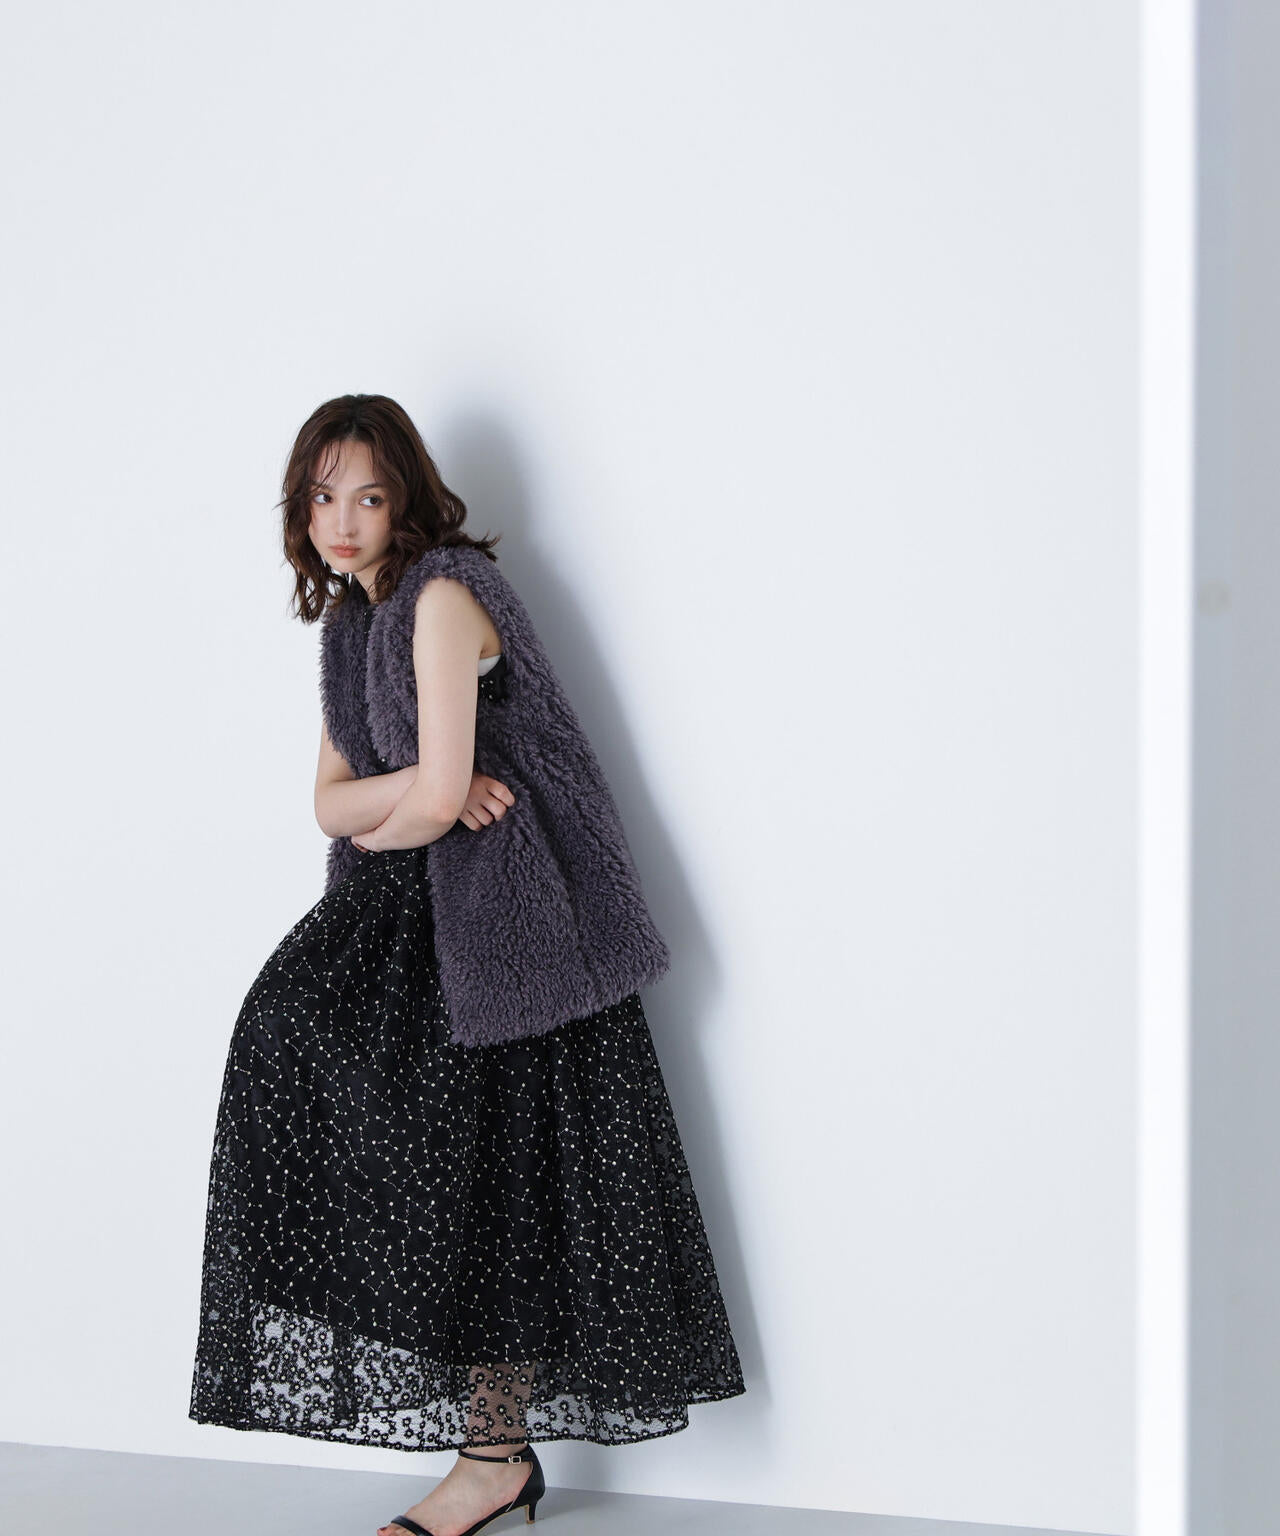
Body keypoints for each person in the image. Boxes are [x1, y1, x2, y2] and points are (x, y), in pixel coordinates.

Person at [188, 394, 745, 1536]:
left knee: (498, 1191)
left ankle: (491, 1461)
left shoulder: (442, 596)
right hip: (413, 918)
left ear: (407, 499)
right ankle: (492, 1455)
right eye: (322, 497)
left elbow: (435, 802)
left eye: (367, 496)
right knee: (292, 1045)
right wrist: (401, 801)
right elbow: (334, 802)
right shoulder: (350, 624)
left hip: (501, 928)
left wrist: (394, 811)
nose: (343, 521)